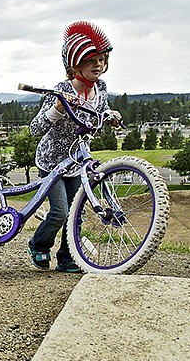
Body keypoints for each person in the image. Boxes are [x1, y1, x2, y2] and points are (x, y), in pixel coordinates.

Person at [28, 21, 121, 273]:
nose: (98, 65)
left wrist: (111, 115)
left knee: (75, 214)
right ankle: (38, 244)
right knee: (59, 212)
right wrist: (57, 109)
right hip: (52, 161)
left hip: (77, 161)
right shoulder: (60, 91)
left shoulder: (100, 90)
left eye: (102, 60)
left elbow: (99, 113)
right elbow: (35, 128)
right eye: (92, 60)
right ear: (74, 64)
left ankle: (67, 259)